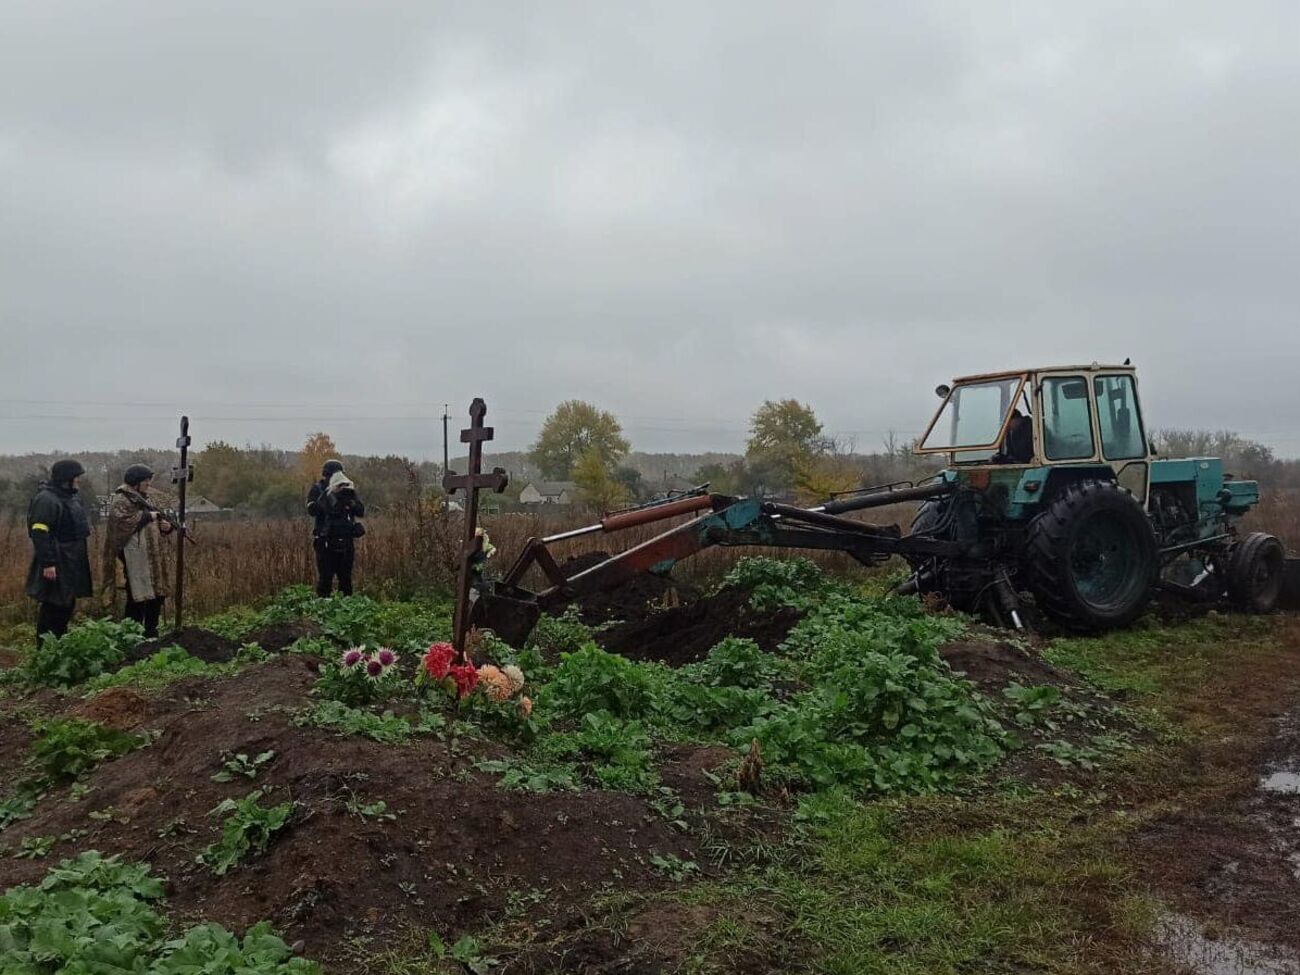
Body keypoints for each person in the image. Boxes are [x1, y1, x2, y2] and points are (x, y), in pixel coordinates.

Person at [25, 459, 93, 645]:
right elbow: (39, 532)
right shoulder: (47, 500)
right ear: (66, 479)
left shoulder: (70, 497)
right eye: (76, 478)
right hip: (57, 561)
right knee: (53, 606)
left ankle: (59, 647)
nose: (79, 481)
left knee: (66, 604)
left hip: (71, 562)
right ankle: (45, 651)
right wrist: (48, 563)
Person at [101, 464, 173, 638]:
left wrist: (166, 527)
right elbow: (120, 525)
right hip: (134, 557)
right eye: (146, 480)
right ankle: (132, 633)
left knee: (157, 593)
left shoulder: (146, 499)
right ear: (136, 482)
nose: (148, 483)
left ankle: (151, 630)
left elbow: (159, 520)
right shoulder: (121, 500)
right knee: (138, 596)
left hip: (154, 556)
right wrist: (148, 516)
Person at [307, 461, 365, 596]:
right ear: (326, 476)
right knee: (325, 581)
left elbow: (360, 510)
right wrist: (327, 497)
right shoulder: (318, 489)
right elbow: (312, 510)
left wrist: (349, 501)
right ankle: (323, 611)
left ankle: (347, 612)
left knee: (345, 581)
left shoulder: (347, 490)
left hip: (345, 542)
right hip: (325, 542)